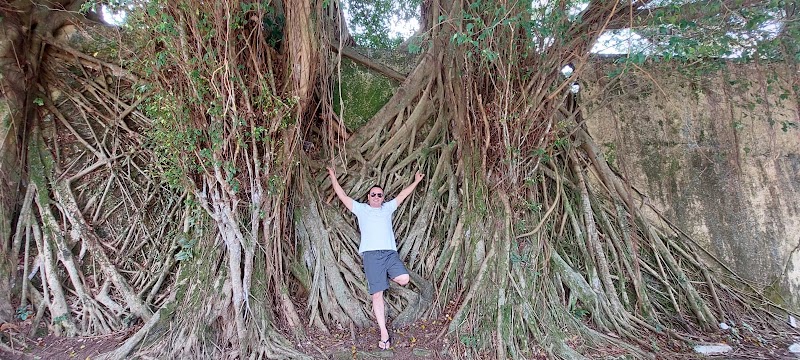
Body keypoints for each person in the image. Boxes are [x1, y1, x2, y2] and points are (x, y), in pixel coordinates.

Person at [327, 166, 424, 350]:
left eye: (380, 195)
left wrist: (417, 181)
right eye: (374, 194)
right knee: (377, 295)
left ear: (383, 198)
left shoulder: (387, 208)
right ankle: (384, 333)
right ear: (368, 197)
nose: (377, 197)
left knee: (404, 279)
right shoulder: (361, 209)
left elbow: (403, 195)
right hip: (371, 256)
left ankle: (381, 278)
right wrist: (333, 176)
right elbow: (343, 196)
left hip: (389, 253)